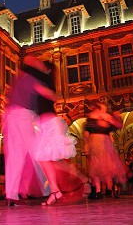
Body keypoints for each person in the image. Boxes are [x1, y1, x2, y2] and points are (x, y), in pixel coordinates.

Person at [28, 61, 90, 205]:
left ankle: (70, 184)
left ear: (48, 70)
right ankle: (56, 191)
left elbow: (52, 96)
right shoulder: (44, 80)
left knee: (46, 158)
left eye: (42, 67)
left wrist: (38, 88)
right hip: (44, 123)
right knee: (47, 159)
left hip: (50, 123)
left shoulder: (47, 80)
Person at [3, 56, 57, 206]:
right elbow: (47, 93)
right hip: (23, 115)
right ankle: (51, 188)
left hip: (10, 114)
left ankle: (11, 194)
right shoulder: (30, 79)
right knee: (37, 152)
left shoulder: (20, 79)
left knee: (15, 156)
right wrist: (53, 94)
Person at [83, 102, 127, 199]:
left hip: (96, 143)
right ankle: (107, 190)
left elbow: (86, 134)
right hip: (101, 143)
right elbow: (119, 125)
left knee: (98, 167)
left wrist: (87, 148)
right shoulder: (103, 115)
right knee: (104, 167)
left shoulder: (91, 117)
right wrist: (117, 116)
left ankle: (100, 191)